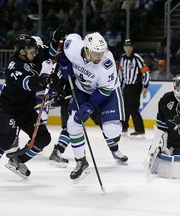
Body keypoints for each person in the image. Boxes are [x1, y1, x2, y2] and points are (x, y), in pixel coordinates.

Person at [0, 34, 54, 185]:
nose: (35, 54)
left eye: (35, 51)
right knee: (6, 139)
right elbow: (27, 83)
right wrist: (42, 80)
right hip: (8, 110)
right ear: (22, 52)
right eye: (32, 52)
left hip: (27, 111)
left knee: (43, 138)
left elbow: (52, 52)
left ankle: (18, 160)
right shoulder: (13, 65)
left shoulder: (33, 55)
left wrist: (57, 37)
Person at [49, 29, 128, 181]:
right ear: (86, 49)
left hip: (106, 92)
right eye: (96, 53)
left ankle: (114, 142)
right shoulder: (73, 46)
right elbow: (65, 50)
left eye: (101, 52)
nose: (100, 56)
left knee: (111, 131)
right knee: (72, 124)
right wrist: (65, 65)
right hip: (82, 89)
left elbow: (105, 90)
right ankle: (81, 162)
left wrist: (90, 105)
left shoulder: (107, 63)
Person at [118, 39, 150, 137]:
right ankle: (124, 127)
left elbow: (146, 72)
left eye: (130, 47)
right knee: (124, 107)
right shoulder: (122, 58)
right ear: (123, 48)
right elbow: (120, 73)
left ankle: (140, 129)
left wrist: (145, 86)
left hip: (136, 85)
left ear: (133, 48)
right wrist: (119, 86)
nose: (128, 49)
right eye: (126, 47)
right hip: (126, 86)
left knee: (133, 107)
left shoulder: (137, 58)